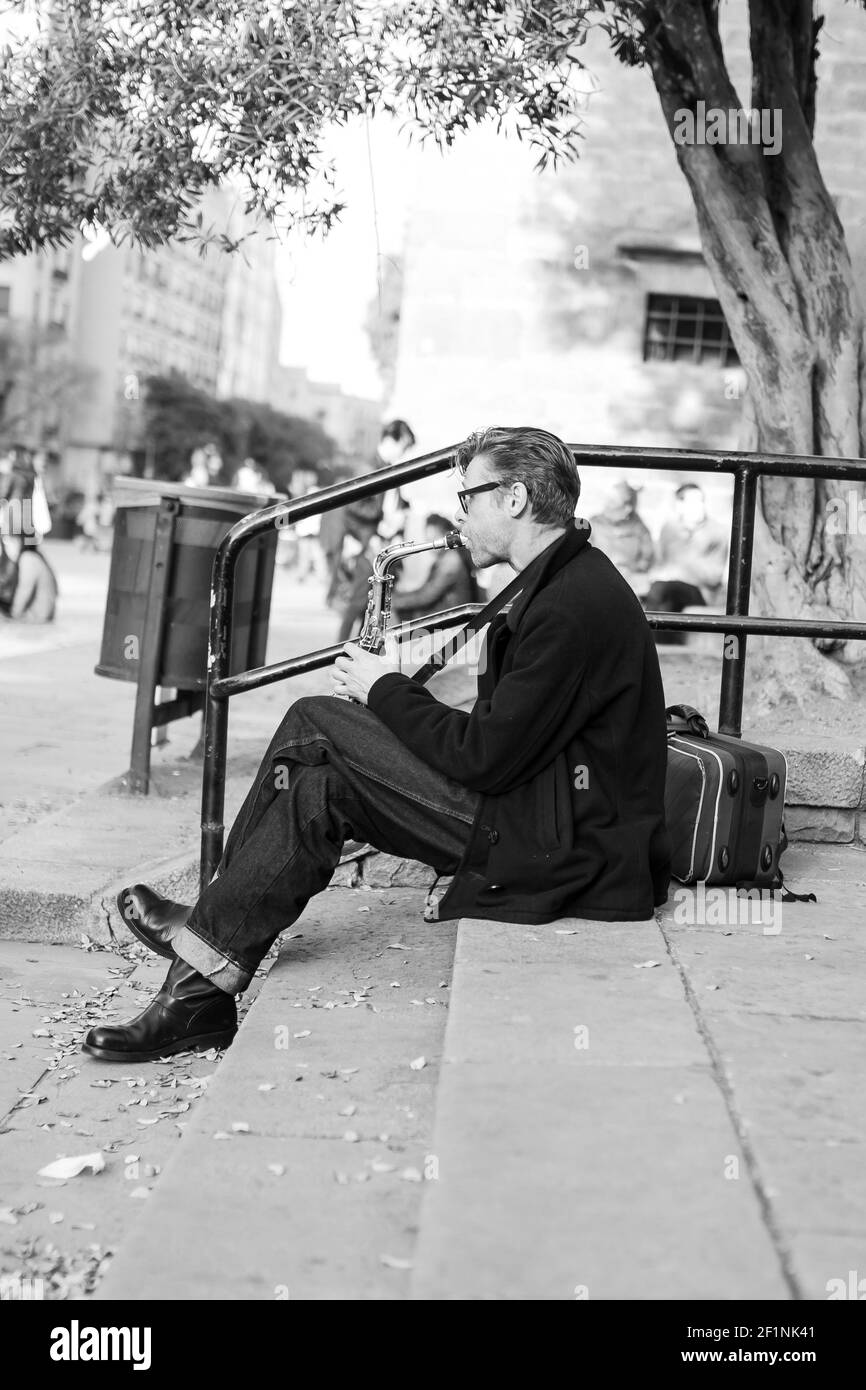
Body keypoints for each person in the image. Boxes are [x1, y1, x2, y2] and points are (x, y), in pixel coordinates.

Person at [82, 425, 671, 1063]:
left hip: (557, 843)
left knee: (316, 719)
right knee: (318, 782)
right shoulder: (562, 581)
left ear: (516, 498)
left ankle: (207, 938)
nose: (460, 515)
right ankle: (203, 985)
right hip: (539, 812)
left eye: (468, 497)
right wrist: (393, 699)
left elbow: (484, 757)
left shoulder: (571, 604)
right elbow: (506, 738)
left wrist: (385, 686)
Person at [642, 481, 730, 644]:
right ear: (679, 505)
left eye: (701, 501)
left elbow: (714, 576)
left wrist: (683, 568)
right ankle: (660, 650)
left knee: (663, 589)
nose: (700, 506)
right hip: (667, 588)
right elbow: (661, 564)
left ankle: (652, 647)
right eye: (693, 502)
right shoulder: (669, 528)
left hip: (701, 592)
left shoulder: (717, 532)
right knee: (662, 594)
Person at [390, 513, 479, 622]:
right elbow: (424, 590)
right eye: (429, 539)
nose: (431, 546)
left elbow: (425, 596)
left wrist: (394, 601)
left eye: (434, 538)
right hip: (440, 620)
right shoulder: (445, 558)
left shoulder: (451, 562)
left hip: (450, 626)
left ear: (447, 536)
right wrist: (397, 596)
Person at [586, 480, 655, 597]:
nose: (607, 506)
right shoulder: (594, 524)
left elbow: (647, 557)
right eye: (608, 501)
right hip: (599, 580)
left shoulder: (640, 529)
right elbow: (585, 556)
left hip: (631, 584)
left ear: (628, 508)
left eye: (613, 502)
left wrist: (634, 570)